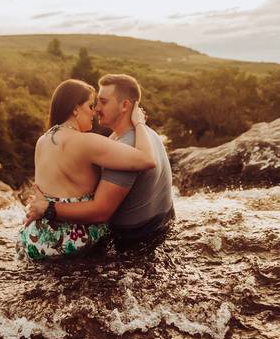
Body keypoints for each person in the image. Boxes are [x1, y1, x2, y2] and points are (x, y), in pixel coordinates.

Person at [24, 74, 175, 253]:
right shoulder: (145, 136)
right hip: (157, 228)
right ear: (75, 109)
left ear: (125, 105)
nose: (96, 109)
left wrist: (47, 207)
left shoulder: (44, 138)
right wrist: (140, 124)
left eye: (102, 102)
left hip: (135, 239)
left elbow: (101, 211)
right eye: (92, 104)